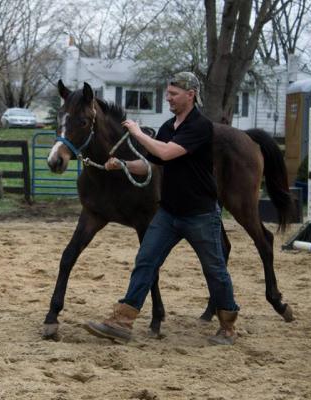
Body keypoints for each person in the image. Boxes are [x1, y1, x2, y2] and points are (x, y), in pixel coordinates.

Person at [84, 72, 239, 345]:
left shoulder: (200, 126)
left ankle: (227, 327)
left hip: (200, 214)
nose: (168, 98)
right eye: (167, 93)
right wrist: (123, 164)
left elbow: (167, 152)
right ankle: (122, 322)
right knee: (146, 260)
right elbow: (153, 163)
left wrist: (137, 133)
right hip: (168, 212)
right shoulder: (169, 126)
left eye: (173, 94)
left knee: (214, 270)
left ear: (190, 94)